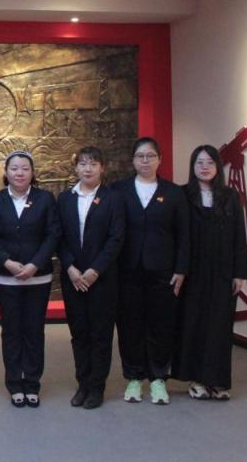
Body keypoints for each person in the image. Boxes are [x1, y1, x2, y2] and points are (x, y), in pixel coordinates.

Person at [111, 137, 189, 405]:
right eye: (140, 156)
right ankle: (134, 377)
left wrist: (181, 268)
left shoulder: (174, 192)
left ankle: (158, 378)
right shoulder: (118, 190)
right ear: (133, 160)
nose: (145, 161)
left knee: (161, 324)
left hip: (163, 270)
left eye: (150, 156)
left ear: (159, 160)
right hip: (127, 269)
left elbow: (184, 235)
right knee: (129, 324)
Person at [0, 150, 60, 408]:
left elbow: (53, 234)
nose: (19, 173)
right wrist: (7, 262)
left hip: (39, 278)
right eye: (14, 168)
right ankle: (15, 383)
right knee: (12, 331)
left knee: (34, 331)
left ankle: (32, 383)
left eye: (25, 168)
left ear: (32, 173)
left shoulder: (45, 199)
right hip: (6, 278)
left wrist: (35, 264)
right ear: (6, 172)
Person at [174, 145, 247, 400]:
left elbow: (240, 237)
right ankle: (196, 379)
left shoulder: (230, 196)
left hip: (223, 273)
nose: (204, 167)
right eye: (199, 162)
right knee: (193, 324)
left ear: (217, 166)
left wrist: (240, 273)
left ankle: (217, 381)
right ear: (192, 167)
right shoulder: (183, 195)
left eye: (209, 162)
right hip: (192, 272)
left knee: (219, 327)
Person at [56, 146, 125, 409]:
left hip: (102, 278)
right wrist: (71, 268)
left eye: (93, 164)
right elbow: (58, 237)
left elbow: (116, 238)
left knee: (100, 334)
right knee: (79, 333)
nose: (88, 168)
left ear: (102, 168)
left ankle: (97, 387)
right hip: (73, 278)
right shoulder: (65, 198)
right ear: (76, 168)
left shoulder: (113, 198)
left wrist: (95, 270)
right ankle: (82, 384)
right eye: (83, 164)